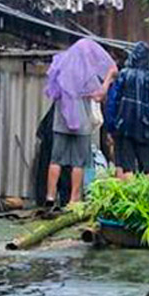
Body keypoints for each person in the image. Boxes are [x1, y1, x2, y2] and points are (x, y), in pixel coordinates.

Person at [44, 39, 117, 206]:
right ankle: (74, 199)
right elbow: (99, 95)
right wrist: (106, 82)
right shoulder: (88, 74)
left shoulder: (61, 65)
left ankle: (50, 196)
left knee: (55, 160)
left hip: (61, 121)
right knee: (78, 162)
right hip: (82, 122)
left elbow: (52, 93)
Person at [105, 41, 149, 177]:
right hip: (145, 129)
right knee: (148, 167)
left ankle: (129, 196)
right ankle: (148, 197)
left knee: (126, 167)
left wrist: (110, 128)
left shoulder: (123, 75)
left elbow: (112, 103)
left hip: (123, 127)